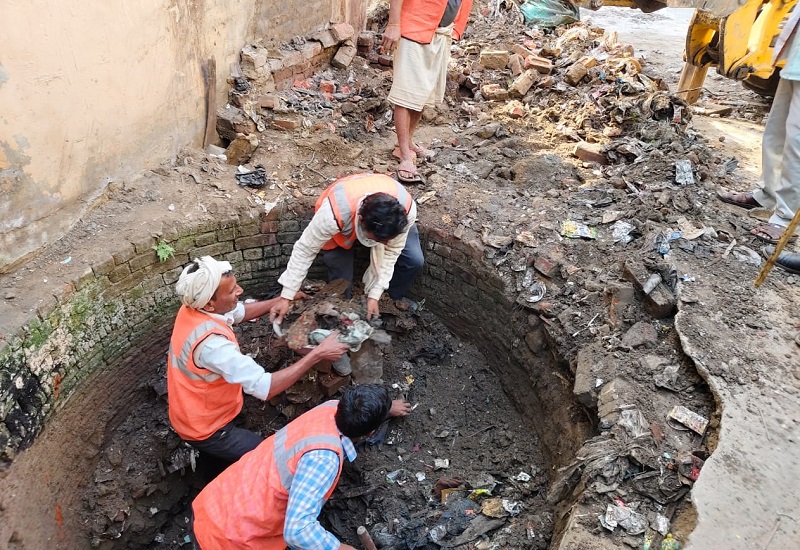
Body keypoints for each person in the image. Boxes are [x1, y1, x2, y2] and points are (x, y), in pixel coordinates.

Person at [168, 255, 349, 462]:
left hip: (195, 408)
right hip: (205, 428)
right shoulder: (213, 346)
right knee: (267, 457)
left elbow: (239, 312)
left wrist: (282, 300)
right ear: (209, 304)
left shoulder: (193, 308)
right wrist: (318, 353)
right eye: (232, 290)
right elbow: (264, 387)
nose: (240, 291)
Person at [191, 384, 412, 549]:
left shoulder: (330, 409)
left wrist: (385, 409)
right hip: (227, 540)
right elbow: (297, 531)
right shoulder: (324, 459)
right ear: (369, 433)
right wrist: (339, 548)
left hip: (215, 504)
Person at [269, 172, 424, 326]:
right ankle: (343, 310)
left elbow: (391, 252)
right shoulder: (332, 215)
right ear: (362, 221)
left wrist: (375, 295)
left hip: (388, 215)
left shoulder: (406, 212)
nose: (383, 244)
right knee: (340, 274)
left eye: (386, 240)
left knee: (413, 260)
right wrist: (286, 296)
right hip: (343, 215)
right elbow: (305, 250)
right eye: (377, 240)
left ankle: (389, 300)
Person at [717, 9, 800, 244]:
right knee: (778, 132)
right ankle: (768, 194)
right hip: (796, 58)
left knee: (797, 143)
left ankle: (786, 219)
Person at [381, 0, 473, 184]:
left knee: (422, 94)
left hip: (440, 33)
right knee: (406, 94)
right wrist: (393, 24)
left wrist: (456, 27)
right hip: (414, 28)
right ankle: (405, 156)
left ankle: (408, 142)